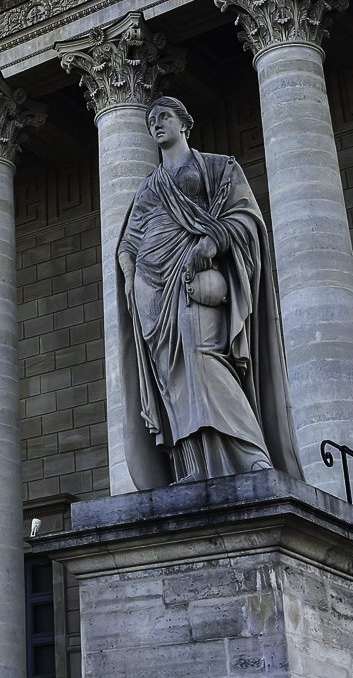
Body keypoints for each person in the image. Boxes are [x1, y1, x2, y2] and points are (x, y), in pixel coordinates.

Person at [116, 96, 297, 483]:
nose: (156, 125)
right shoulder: (149, 186)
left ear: (185, 123)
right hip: (152, 291)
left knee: (205, 357)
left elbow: (245, 217)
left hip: (196, 279)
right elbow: (128, 244)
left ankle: (251, 454)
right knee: (174, 379)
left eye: (163, 116)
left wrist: (212, 242)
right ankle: (194, 466)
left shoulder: (218, 168)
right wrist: (132, 282)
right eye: (150, 122)